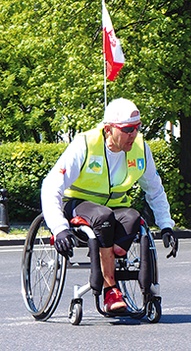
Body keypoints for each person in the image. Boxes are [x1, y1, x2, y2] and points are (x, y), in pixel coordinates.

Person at [41, 98, 178, 313]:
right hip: (79, 204)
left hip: (115, 209)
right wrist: (59, 228)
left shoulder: (140, 149)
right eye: (128, 129)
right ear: (108, 129)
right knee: (103, 217)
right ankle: (110, 287)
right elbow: (51, 186)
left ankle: (114, 261)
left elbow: (155, 189)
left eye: (137, 128)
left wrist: (166, 225)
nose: (134, 134)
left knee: (133, 217)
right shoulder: (84, 144)